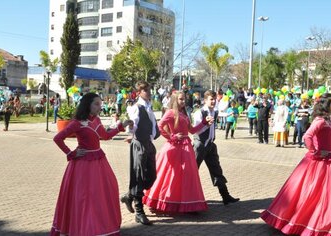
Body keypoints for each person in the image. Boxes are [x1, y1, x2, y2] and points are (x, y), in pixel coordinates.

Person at [50, 93, 132, 236]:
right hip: (82, 166)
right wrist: (71, 154)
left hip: (99, 163)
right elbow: (58, 138)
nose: (100, 107)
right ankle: (83, 228)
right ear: (87, 104)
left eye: (100, 104)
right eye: (96, 104)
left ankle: (98, 226)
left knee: (102, 193)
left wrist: (121, 126)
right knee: (84, 197)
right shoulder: (77, 123)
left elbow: (105, 136)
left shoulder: (97, 120)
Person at [261, 94, 331, 236]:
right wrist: (316, 152)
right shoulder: (320, 120)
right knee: (313, 193)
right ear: (325, 105)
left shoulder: (327, 120)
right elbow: (307, 136)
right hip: (320, 163)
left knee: (325, 195)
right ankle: (306, 221)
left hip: (329, 160)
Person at [143, 91, 213, 214]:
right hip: (174, 148)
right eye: (181, 99)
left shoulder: (184, 113)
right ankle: (159, 201)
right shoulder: (170, 113)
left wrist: (204, 123)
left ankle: (189, 203)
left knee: (187, 176)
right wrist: (172, 136)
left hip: (186, 148)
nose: (183, 101)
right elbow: (159, 126)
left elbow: (192, 130)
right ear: (175, 100)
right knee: (168, 176)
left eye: (184, 99)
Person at [120, 80, 160, 225]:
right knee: (138, 176)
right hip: (139, 145)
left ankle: (129, 196)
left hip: (149, 144)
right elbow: (132, 126)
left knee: (151, 177)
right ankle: (139, 211)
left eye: (149, 90)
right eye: (146, 90)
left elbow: (153, 126)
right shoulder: (137, 107)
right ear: (139, 93)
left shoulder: (148, 106)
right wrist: (131, 132)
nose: (149, 92)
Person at [193, 90, 240, 205]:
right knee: (193, 172)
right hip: (200, 145)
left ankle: (225, 195)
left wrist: (229, 114)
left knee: (217, 170)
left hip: (210, 145)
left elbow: (220, 114)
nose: (213, 101)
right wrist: (205, 124)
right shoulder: (200, 112)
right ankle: (190, 199)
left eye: (214, 99)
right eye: (211, 99)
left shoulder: (214, 111)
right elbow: (195, 130)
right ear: (205, 100)